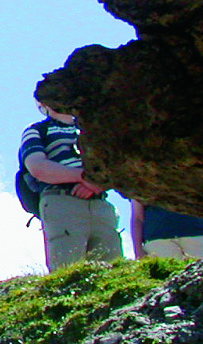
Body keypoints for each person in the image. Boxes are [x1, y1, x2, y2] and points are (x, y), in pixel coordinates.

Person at [19, 102, 124, 270]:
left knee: (112, 268)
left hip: (101, 205)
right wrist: (86, 178)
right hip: (61, 201)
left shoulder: (94, 131)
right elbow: (37, 167)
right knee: (67, 267)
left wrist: (96, 184)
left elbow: (118, 165)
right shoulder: (37, 130)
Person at [130, 199, 203, 260]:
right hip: (158, 240)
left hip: (200, 234)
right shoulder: (140, 180)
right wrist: (138, 250)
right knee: (165, 278)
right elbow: (137, 217)